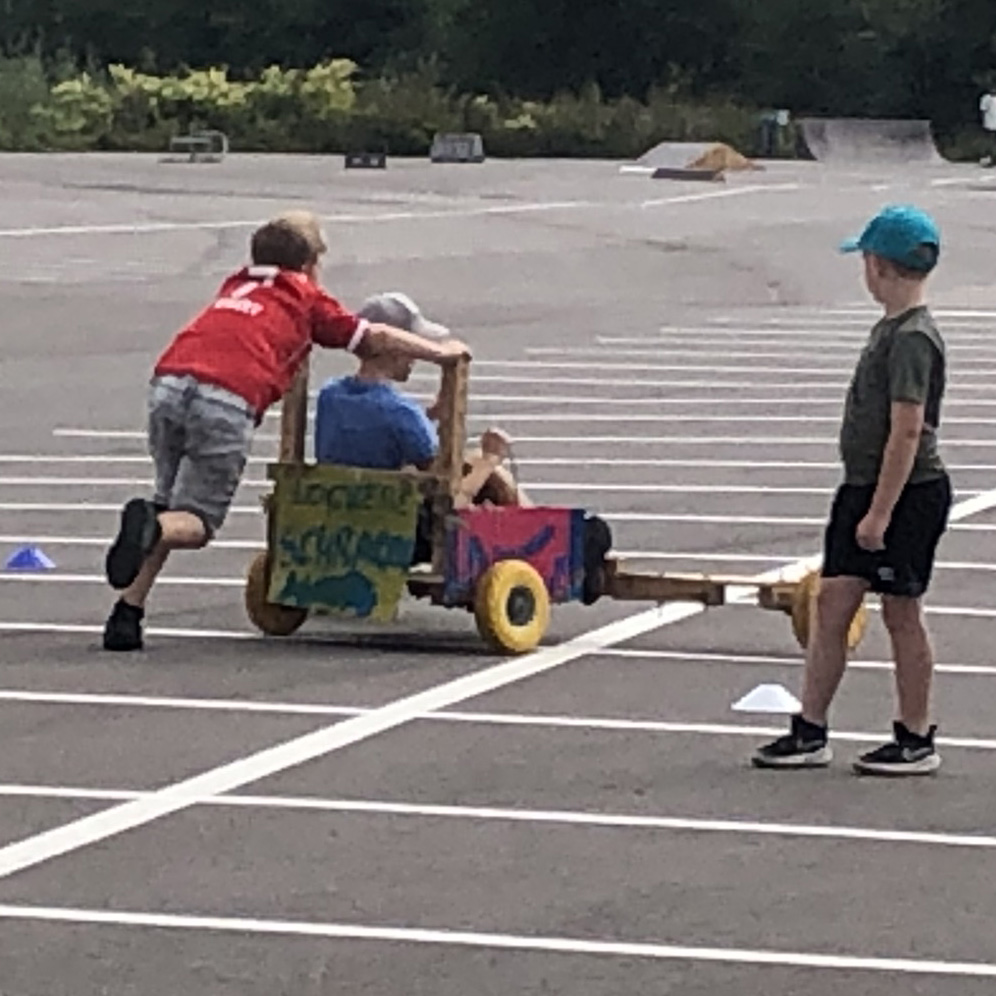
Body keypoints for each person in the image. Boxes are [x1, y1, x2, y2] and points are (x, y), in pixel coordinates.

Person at [101, 214, 470, 652]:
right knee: (194, 522)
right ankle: (150, 528)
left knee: (165, 507)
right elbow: (374, 337)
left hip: (169, 383)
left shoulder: (236, 285)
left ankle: (128, 612)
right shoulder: (304, 296)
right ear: (310, 265)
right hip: (225, 396)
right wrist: (442, 354)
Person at [753, 205, 950, 776]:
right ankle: (810, 729)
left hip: (905, 493)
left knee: (900, 610)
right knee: (833, 600)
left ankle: (915, 736)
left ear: (878, 266)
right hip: (863, 487)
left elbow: (907, 428)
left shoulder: (913, 338)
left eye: (864, 261)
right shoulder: (892, 328)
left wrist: (880, 513)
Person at [314, 292, 528, 564]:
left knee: (471, 463)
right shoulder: (400, 412)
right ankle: (539, 549)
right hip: (398, 532)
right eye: (412, 346)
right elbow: (449, 491)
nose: (415, 356)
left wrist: (433, 412)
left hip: (338, 517)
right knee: (492, 476)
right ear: (394, 347)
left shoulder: (330, 395)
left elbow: (374, 431)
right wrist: (489, 460)